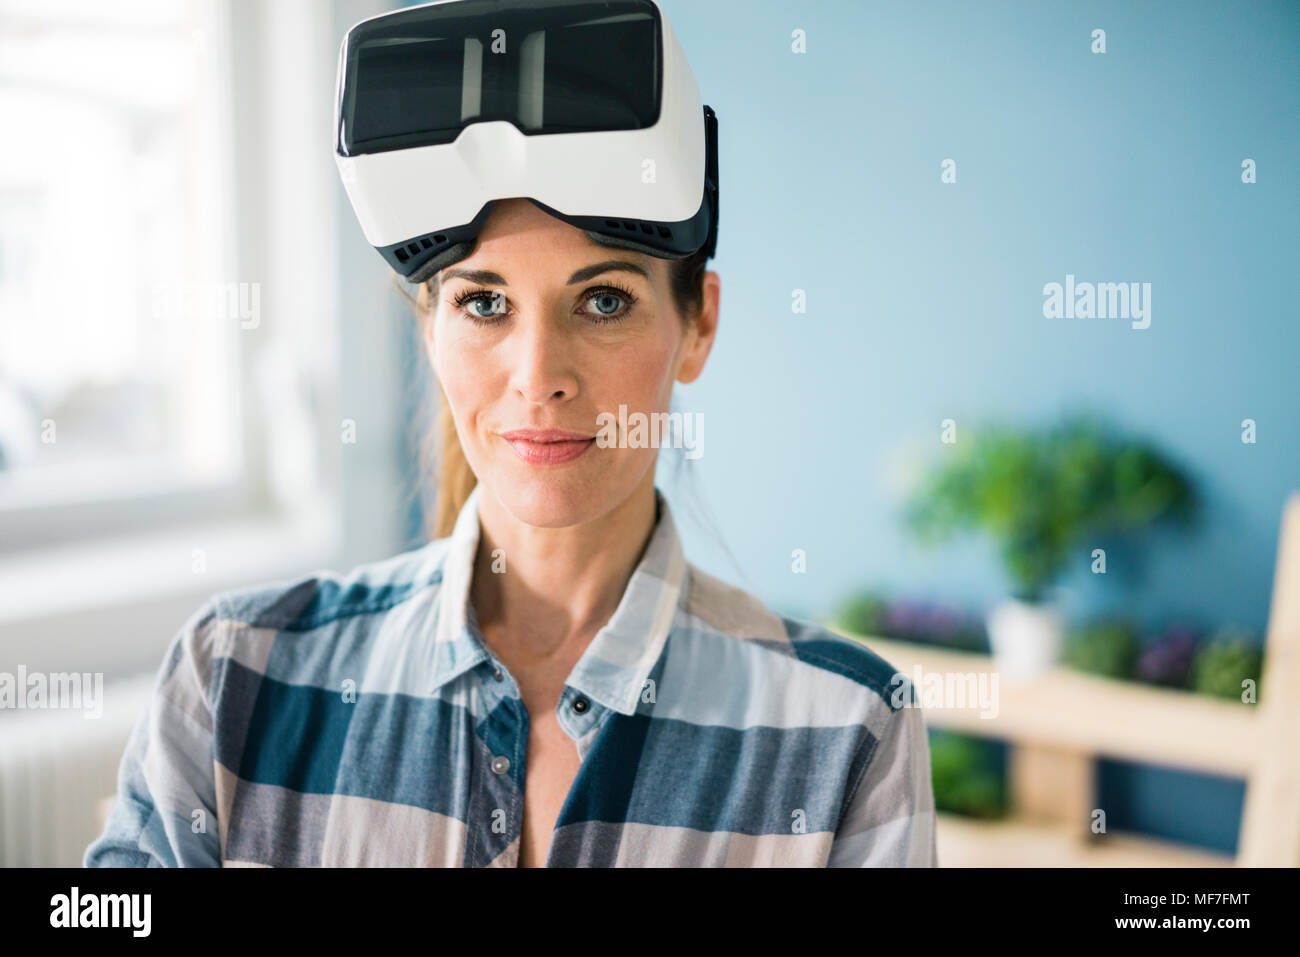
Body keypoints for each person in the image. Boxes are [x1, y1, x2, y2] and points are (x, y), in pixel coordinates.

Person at [85, 0, 937, 868]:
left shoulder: (846, 731)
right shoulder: (234, 679)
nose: (538, 375)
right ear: (429, 328)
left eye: (603, 301)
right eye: (483, 302)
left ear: (699, 326)